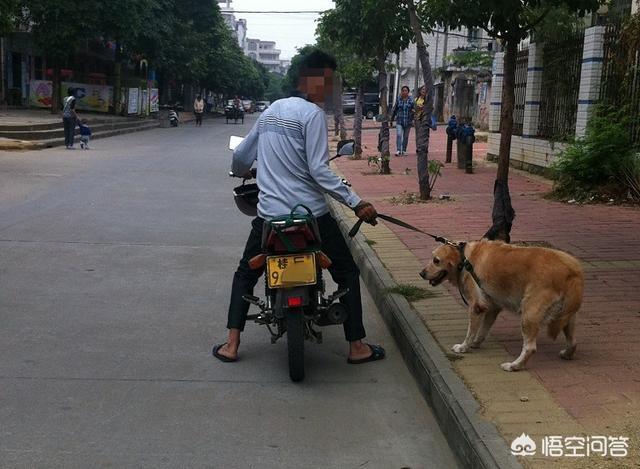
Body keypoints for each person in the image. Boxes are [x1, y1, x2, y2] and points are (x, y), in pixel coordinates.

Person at [212, 57, 384, 365]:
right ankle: (357, 346)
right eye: (329, 82)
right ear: (311, 81)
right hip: (311, 217)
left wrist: (246, 171)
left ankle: (232, 344)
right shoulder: (312, 115)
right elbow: (319, 170)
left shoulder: (269, 113)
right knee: (345, 272)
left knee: (245, 273)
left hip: (269, 217)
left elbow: (240, 157)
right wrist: (357, 202)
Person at [390, 85, 414, 156]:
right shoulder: (398, 99)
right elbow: (394, 110)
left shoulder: (411, 100)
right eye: (403, 90)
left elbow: (414, 110)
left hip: (408, 121)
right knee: (399, 134)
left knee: (406, 136)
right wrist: (391, 120)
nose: (404, 92)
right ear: (401, 92)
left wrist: (413, 119)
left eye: (406, 90)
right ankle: (398, 150)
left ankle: (403, 150)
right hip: (399, 121)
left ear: (408, 92)